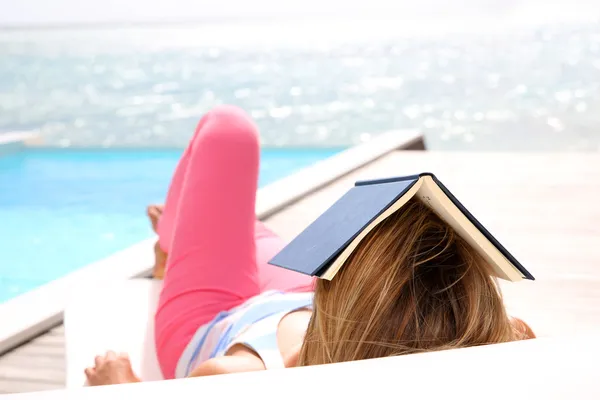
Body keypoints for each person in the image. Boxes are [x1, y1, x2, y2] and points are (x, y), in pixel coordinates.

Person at [85, 105, 535, 386]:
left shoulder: (232, 378)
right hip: (304, 298)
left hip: (216, 320)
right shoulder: (484, 340)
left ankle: (176, 243)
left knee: (228, 130)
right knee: (230, 219)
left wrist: (120, 386)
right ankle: (201, 228)